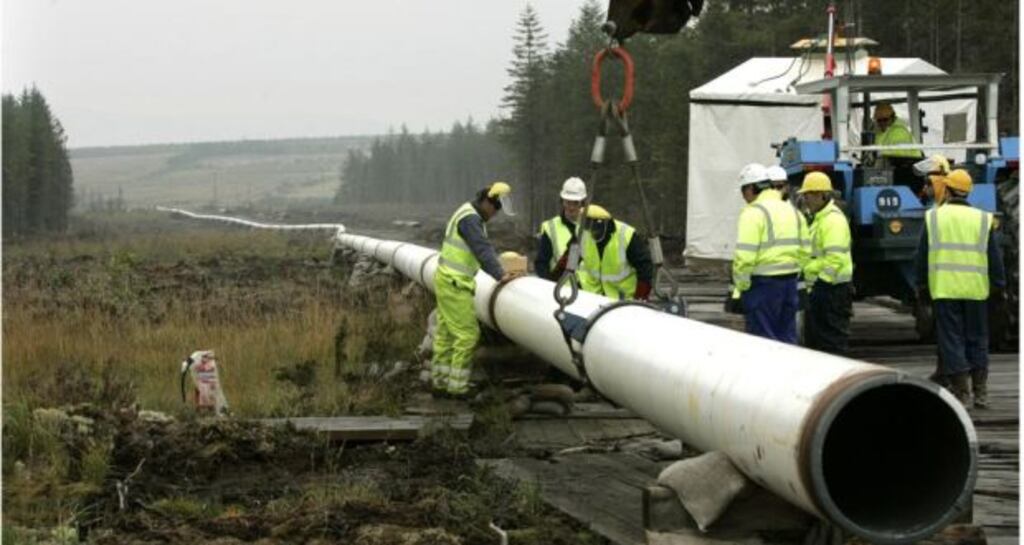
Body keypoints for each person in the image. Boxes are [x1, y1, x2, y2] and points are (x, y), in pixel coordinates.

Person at [915, 169, 1005, 408]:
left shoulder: (934, 217)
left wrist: (921, 286)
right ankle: (981, 392)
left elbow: (922, 256)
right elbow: (994, 258)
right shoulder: (982, 219)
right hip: (976, 290)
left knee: (951, 339)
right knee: (978, 338)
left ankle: (962, 392)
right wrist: (999, 286)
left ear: (947, 189)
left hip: (945, 290)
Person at [432, 181, 518, 399]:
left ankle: (440, 383)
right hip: (455, 284)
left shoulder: (467, 212)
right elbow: (482, 249)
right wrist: (500, 274)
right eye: (496, 208)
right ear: (487, 201)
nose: (496, 214)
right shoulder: (471, 220)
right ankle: (457, 387)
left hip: (446, 280)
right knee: (468, 335)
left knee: (446, 334)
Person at [728, 163, 810, 343]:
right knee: (787, 338)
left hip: (762, 286)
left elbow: (745, 257)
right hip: (790, 283)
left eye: (743, 191)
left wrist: (741, 286)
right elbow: (806, 251)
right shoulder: (793, 212)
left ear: (750, 188)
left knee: (763, 341)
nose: (743, 197)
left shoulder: (752, 213)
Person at [799, 172, 854, 354]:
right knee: (819, 343)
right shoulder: (819, 219)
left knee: (832, 343)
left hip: (832, 291)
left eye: (807, 195)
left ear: (821, 195)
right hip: (822, 289)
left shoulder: (832, 220)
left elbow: (835, 258)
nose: (805, 199)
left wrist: (822, 283)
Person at [577, 204, 654, 301]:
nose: (591, 232)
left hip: (623, 300)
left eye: (593, 228)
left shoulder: (626, 236)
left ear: (601, 225)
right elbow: (569, 260)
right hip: (592, 297)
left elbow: (645, 268)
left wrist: (640, 298)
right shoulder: (582, 233)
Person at [535, 177, 587, 280]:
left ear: (583, 203)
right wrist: (548, 285)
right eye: (568, 202)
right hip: (561, 286)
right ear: (562, 202)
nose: (571, 207)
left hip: (587, 288)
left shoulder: (592, 226)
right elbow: (541, 264)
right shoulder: (550, 227)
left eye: (575, 203)